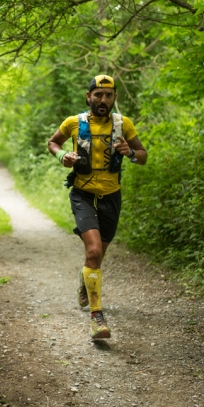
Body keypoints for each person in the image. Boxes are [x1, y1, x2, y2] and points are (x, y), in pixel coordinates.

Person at [47, 75, 147, 339]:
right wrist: (62, 156)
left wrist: (130, 153)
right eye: (98, 95)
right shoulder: (73, 123)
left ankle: (85, 279)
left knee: (98, 256)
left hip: (111, 196)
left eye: (109, 96)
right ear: (88, 96)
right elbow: (52, 142)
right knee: (92, 252)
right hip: (82, 194)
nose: (103, 100)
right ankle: (97, 317)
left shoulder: (123, 124)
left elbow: (143, 156)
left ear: (114, 98)